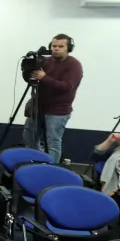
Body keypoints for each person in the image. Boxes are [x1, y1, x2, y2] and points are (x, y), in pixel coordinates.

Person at [24, 34, 83, 162]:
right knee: (29, 137)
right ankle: (36, 163)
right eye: (54, 46)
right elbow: (33, 78)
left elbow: (67, 86)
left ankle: (51, 169)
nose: (56, 49)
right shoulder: (46, 61)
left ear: (68, 48)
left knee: (53, 142)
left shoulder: (74, 65)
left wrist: (44, 78)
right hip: (38, 106)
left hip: (58, 111)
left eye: (61, 46)